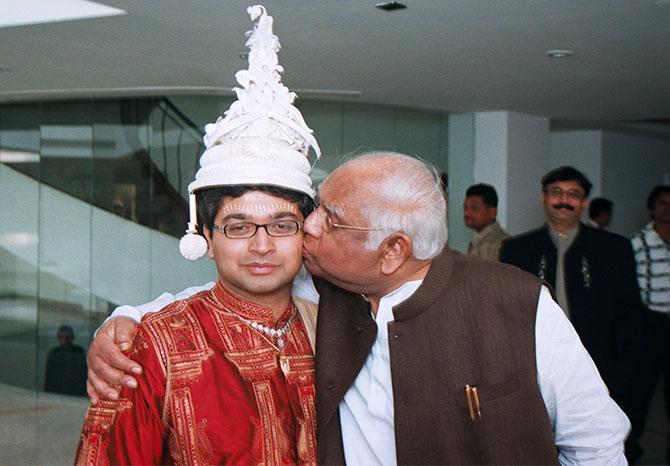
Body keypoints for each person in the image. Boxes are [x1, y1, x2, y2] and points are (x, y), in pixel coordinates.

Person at [89, 154, 630, 464]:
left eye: (331, 218)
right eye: (316, 207)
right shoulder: (327, 288)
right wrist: (128, 318)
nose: (308, 228)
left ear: (393, 251)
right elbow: (232, 292)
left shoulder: (515, 301)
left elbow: (595, 442)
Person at [75, 6, 321, 464]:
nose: (262, 245)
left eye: (282, 225)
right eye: (238, 227)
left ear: (306, 232)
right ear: (205, 237)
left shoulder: (337, 330)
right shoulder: (150, 347)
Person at [499, 166, 641, 454]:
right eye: (557, 193)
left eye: (573, 194)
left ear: (585, 202)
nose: (564, 200)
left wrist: (626, 368)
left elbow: (630, 314)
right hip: (537, 363)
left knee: (597, 440)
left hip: (600, 361)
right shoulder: (516, 249)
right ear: (543, 198)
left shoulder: (615, 248)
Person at [628, 185, 670, 463]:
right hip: (650, 324)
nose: (666, 208)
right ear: (651, 209)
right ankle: (630, 448)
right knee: (640, 390)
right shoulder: (638, 243)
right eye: (661, 203)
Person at [463, 183, 509, 261]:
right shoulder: (483, 239)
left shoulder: (491, 243)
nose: (466, 213)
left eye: (474, 208)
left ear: (492, 213)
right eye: (465, 208)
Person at [44, 325, 87, 396]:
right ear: (59, 338)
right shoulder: (55, 353)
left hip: (75, 390)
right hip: (58, 390)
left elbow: (83, 373)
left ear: (72, 338)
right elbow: (50, 375)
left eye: (67, 337)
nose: (65, 340)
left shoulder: (79, 352)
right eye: (62, 337)